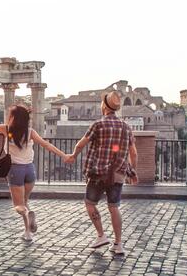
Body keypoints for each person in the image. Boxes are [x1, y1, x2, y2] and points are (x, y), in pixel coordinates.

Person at [0, 104, 72, 241]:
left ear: (13, 118)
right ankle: (28, 232)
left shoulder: (6, 129)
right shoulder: (31, 132)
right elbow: (47, 145)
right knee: (24, 201)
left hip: (15, 171)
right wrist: (64, 155)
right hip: (30, 170)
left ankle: (28, 215)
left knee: (18, 206)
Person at [67, 91, 138, 255]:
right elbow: (133, 153)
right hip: (118, 174)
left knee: (90, 204)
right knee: (114, 208)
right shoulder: (126, 127)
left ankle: (101, 235)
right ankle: (118, 244)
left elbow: (81, 144)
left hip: (97, 173)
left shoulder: (97, 125)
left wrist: (73, 156)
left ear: (104, 106)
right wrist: (132, 171)